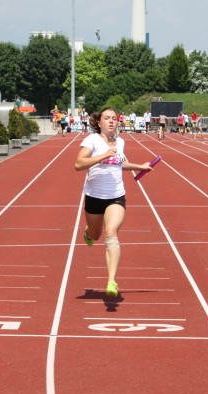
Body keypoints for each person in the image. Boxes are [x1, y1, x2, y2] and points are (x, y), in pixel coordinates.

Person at [74, 107, 153, 297]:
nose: (111, 121)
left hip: (116, 196)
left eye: (114, 119)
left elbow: (119, 163)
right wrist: (102, 155)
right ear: (98, 122)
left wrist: (139, 166)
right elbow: (78, 164)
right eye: (107, 118)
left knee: (111, 233)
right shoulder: (91, 140)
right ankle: (89, 232)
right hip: (94, 197)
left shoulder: (121, 142)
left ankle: (111, 281)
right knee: (96, 234)